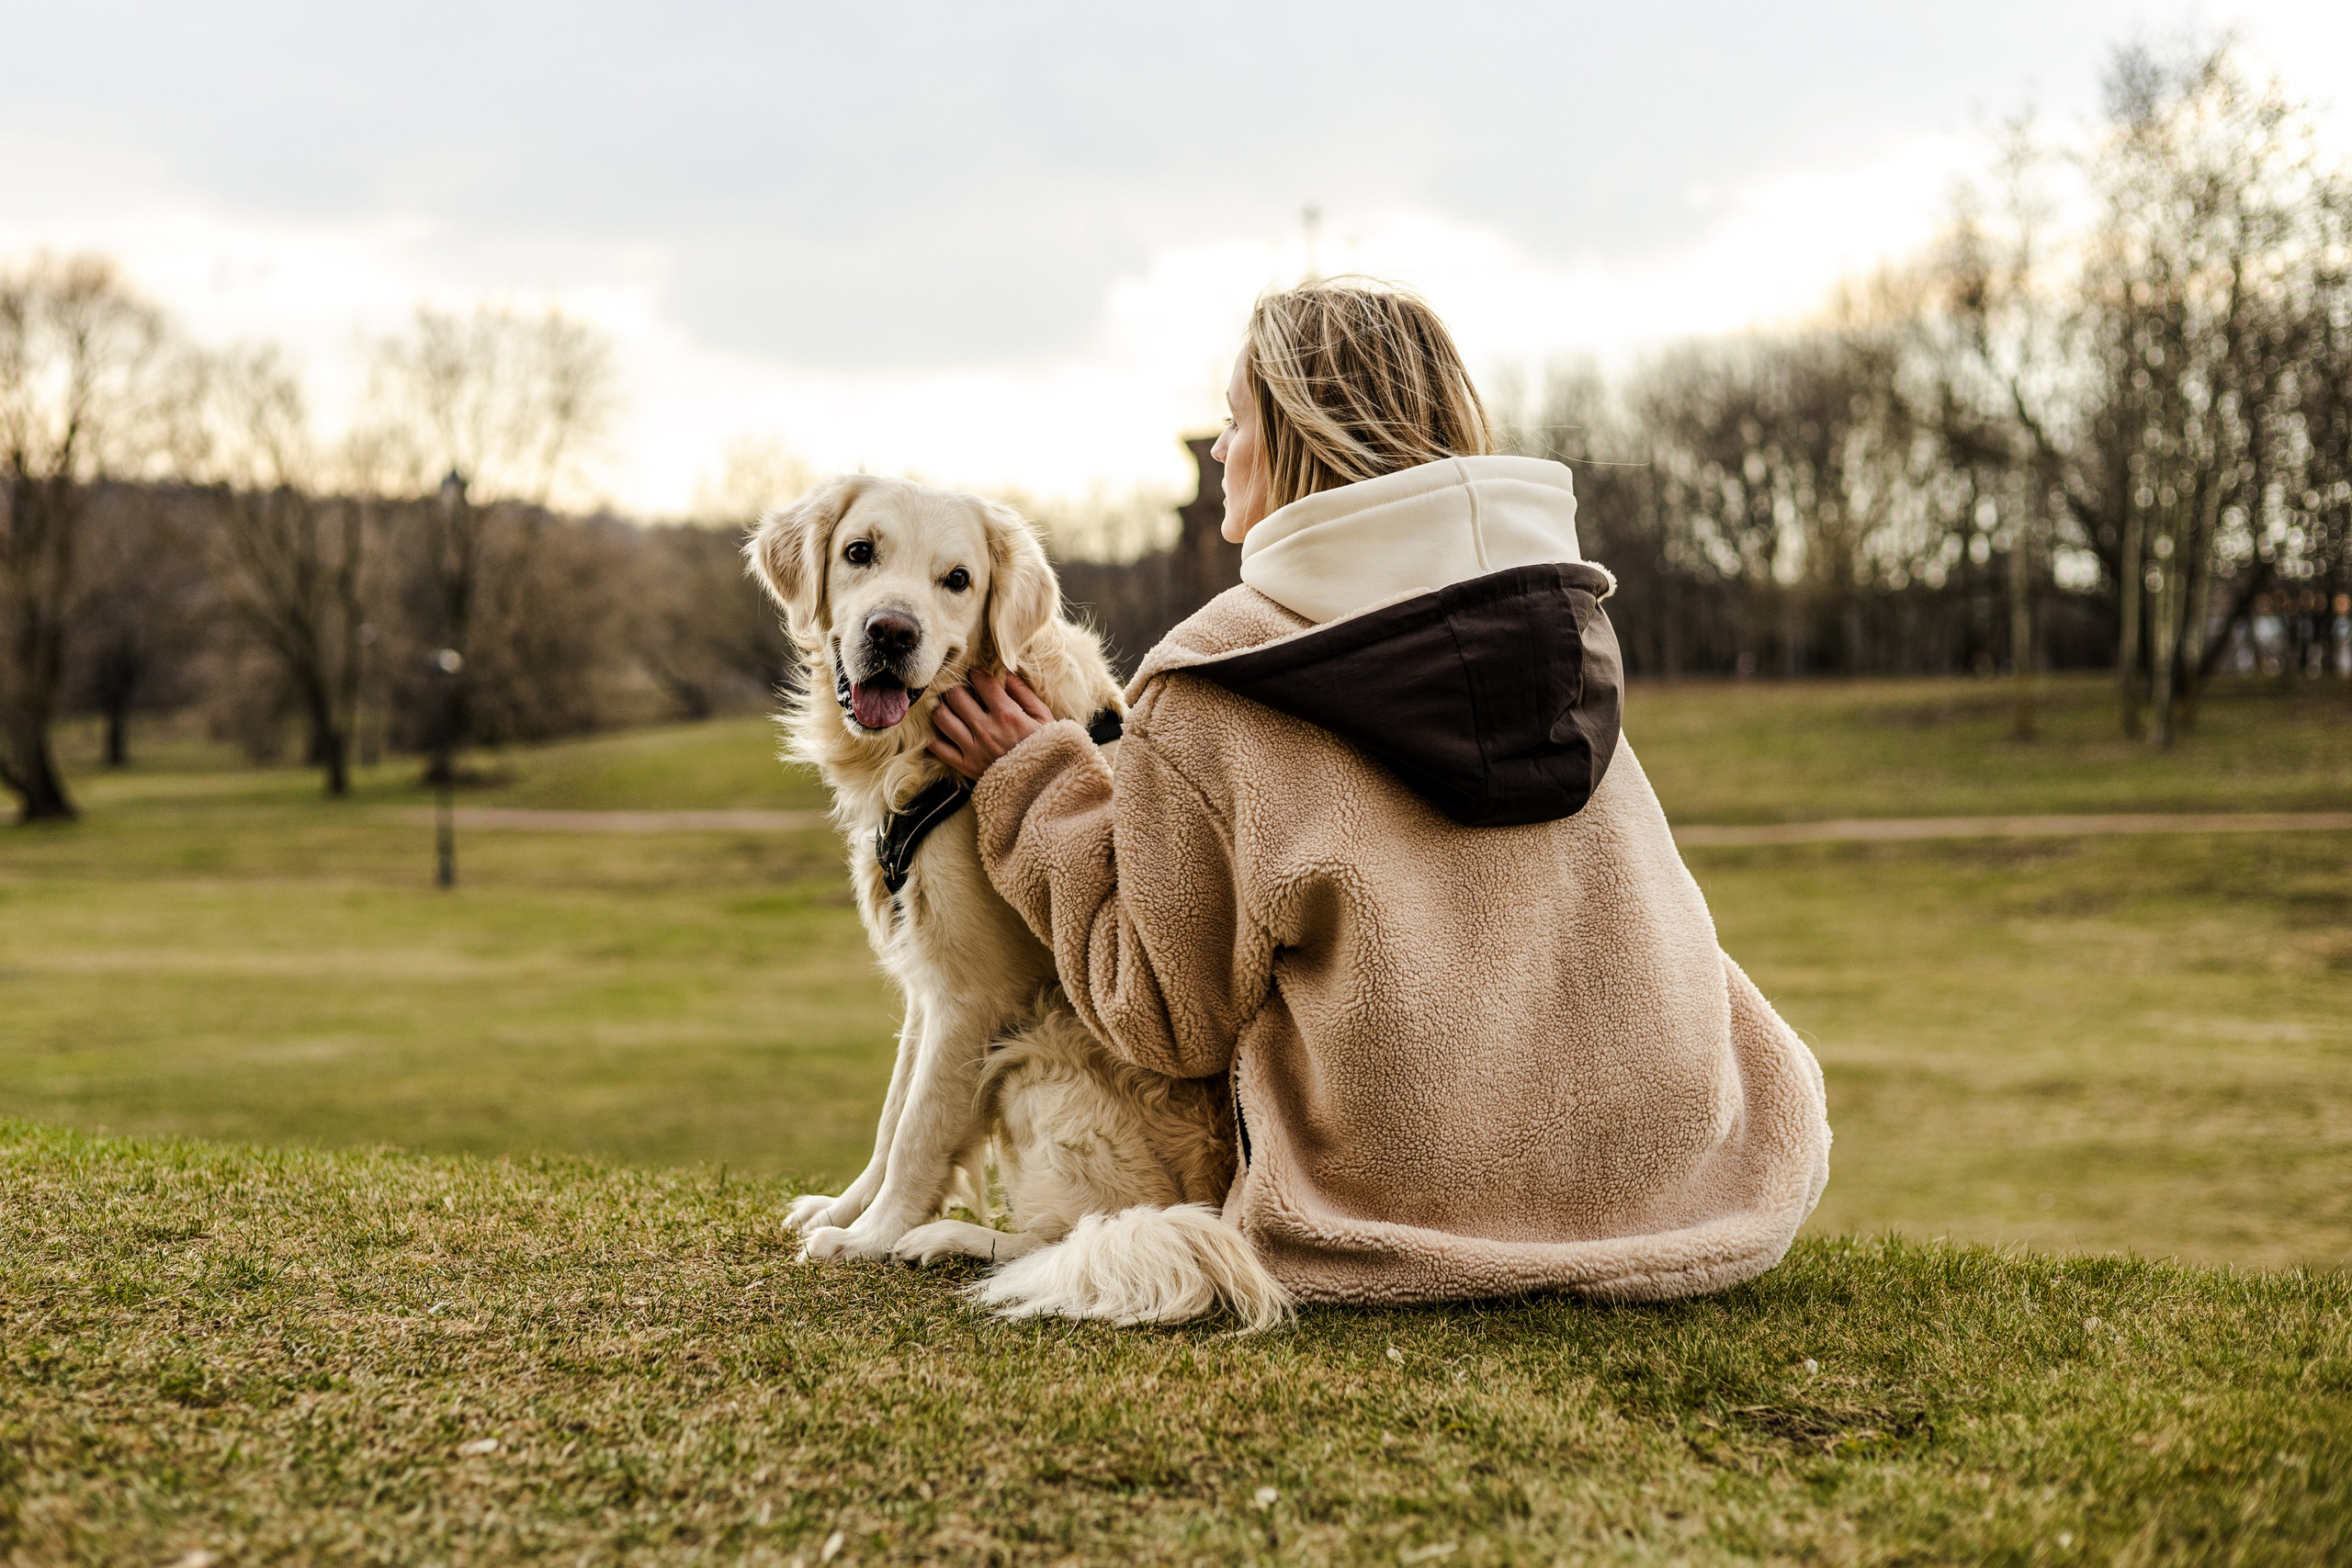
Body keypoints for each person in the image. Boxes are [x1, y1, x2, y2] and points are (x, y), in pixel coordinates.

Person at [929, 279, 1829, 1308]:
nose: (1222, 450)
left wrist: (1039, 784)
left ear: (1299, 436)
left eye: (1236, 421)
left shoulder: (1215, 682)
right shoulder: (1559, 633)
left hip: (1404, 1197)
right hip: (1678, 1176)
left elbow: (1161, 1017)